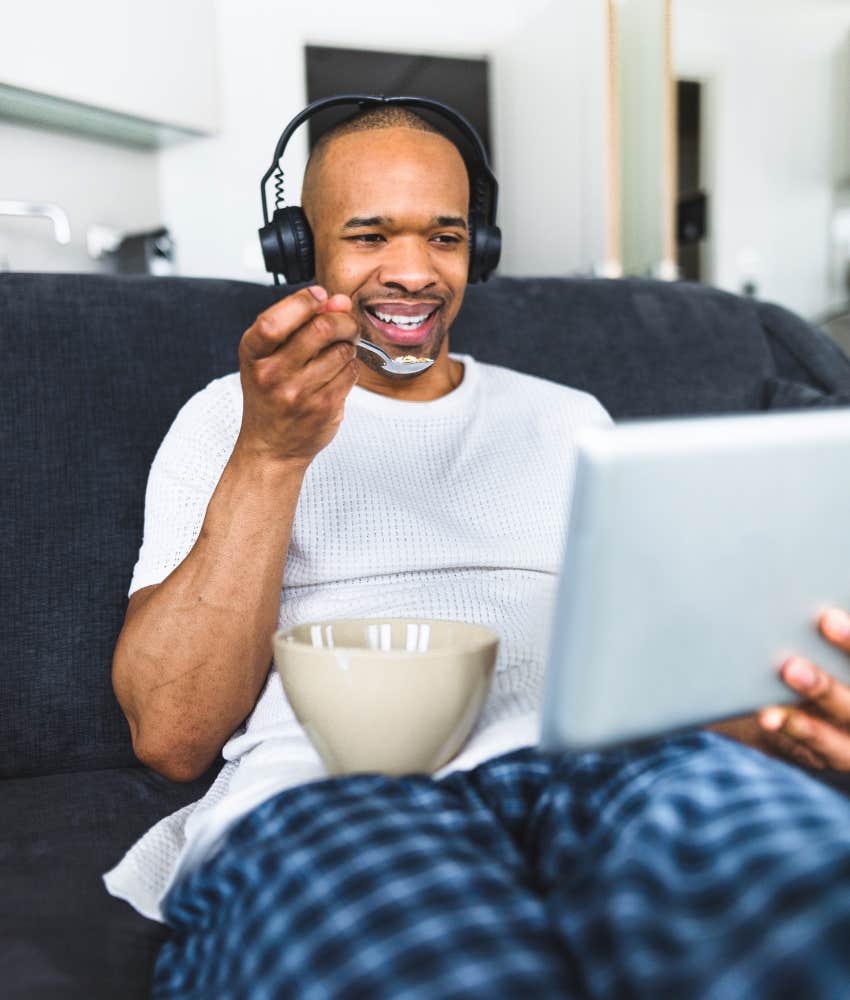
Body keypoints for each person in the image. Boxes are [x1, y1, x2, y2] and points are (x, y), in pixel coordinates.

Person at [105, 103, 850, 998]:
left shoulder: (568, 418)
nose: (415, 274)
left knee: (802, 901)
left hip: (604, 775)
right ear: (300, 251)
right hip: (337, 797)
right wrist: (272, 451)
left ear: (480, 247)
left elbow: (653, 670)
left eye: (446, 237)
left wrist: (779, 716)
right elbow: (173, 737)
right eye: (371, 235)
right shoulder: (229, 417)